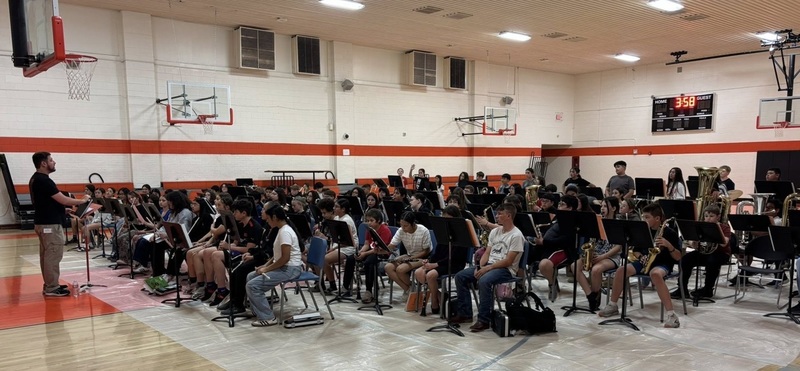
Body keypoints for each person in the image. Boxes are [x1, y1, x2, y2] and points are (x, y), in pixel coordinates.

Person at [599, 203, 682, 328]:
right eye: (643, 217)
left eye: (647, 217)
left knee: (655, 274)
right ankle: (613, 305)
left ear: (658, 218)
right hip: (645, 261)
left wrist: (668, 245)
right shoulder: (643, 231)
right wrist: (640, 257)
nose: (644, 220)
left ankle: (672, 315)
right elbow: (636, 250)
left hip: (663, 263)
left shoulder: (669, 232)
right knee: (622, 270)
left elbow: (678, 256)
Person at [451, 203, 524, 332]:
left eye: (499, 214)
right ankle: (465, 313)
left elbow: (508, 261)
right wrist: (480, 266)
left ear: (508, 215)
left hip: (506, 270)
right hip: (490, 266)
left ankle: (484, 320)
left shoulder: (517, 235)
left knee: (484, 281)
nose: (496, 216)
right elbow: (487, 252)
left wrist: (487, 269)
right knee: (460, 276)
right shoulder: (495, 231)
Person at [29, 152, 90, 296]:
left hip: (43, 222)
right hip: (49, 224)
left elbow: (47, 202)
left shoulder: (35, 179)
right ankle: (51, 287)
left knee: (47, 255)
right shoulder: (44, 180)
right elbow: (63, 199)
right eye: (51, 160)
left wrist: (62, 210)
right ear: (43, 163)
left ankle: (51, 284)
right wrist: (82, 201)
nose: (54, 162)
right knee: (53, 255)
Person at [245, 204, 303, 327]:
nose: (267, 221)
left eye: (269, 218)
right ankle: (259, 311)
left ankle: (268, 317)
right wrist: (264, 265)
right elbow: (277, 255)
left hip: (290, 269)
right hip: (285, 266)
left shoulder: (285, 232)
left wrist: (267, 269)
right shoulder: (281, 230)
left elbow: (285, 258)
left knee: (253, 286)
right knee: (251, 276)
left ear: (275, 217)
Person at [414, 205, 471, 314]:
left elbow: (455, 257)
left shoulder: (462, 233)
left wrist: (435, 265)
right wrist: (429, 261)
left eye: (448, 218)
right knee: (418, 272)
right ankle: (441, 296)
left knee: (430, 275)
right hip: (440, 262)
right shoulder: (443, 231)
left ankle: (435, 302)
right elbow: (438, 252)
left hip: (454, 263)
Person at [572, 197, 622, 310]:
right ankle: (590, 295)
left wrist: (601, 257)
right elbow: (592, 240)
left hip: (611, 256)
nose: (602, 209)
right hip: (596, 253)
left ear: (614, 208)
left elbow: (618, 247)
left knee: (596, 270)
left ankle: (596, 295)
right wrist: (589, 253)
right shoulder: (598, 222)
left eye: (605, 206)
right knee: (574, 266)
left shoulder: (618, 223)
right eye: (602, 206)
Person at [671, 205, 731, 299]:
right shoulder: (701, 227)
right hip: (704, 252)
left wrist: (714, 233)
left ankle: (708, 289)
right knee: (685, 259)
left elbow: (724, 243)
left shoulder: (724, 228)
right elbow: (694, 244)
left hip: (721, 253)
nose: (708, 219)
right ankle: (682, 289)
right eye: (706, 216)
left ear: (718, 217)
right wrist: (693, 242)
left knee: (712, 261)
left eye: (711, 216)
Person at [533, 195, 578, 302]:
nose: (559, 206)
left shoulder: (572, 220)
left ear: (570, 208)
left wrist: (544, 241)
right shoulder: (557, 216)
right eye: (559, 204)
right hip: (549, 247)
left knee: (544, 265)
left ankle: (552, 283)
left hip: (564, 250)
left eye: (562, 205)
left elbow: (566, 240)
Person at [384, 212, 432, 301]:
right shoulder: (401, 230)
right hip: (409, 255)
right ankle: (409, 288)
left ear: (413, 224)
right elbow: (392, 245)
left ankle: (411, 288)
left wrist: (411, 258)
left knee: (400, 269)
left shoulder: (423, 230)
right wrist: (384, 249)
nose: (403, 228)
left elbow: (426, 251)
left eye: (406, 226)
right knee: (388, 267)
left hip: (422, 257)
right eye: (401, 225)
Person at [356, 209, 393, 304]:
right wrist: (361, 252)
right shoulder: (369, 230)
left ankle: (369, 290)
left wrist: (365, 254)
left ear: (379, 220)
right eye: (367, 221)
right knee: (352, 258)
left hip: (382, 253)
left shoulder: (385, 230)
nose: (369, 223)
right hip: (372, 251)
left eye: (371, 220)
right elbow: (367, 244)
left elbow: (381, 248)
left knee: (369, 262)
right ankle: (346, 287)